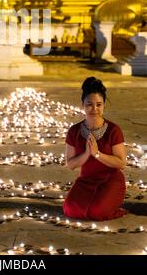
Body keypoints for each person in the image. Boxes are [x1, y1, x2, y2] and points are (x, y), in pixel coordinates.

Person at [63, 77, 127, 221]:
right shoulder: (74, 131)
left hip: (110, 181)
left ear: (104, 105)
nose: (94, 109)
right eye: (90, 104)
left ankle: (112, 205)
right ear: (83, 105)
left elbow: (121, 163)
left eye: (99, 104)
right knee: (70, 209)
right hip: (86, 180)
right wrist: (86, 154)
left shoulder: (113, 130)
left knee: (97, 212)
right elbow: (71, 164)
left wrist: (97, 154)